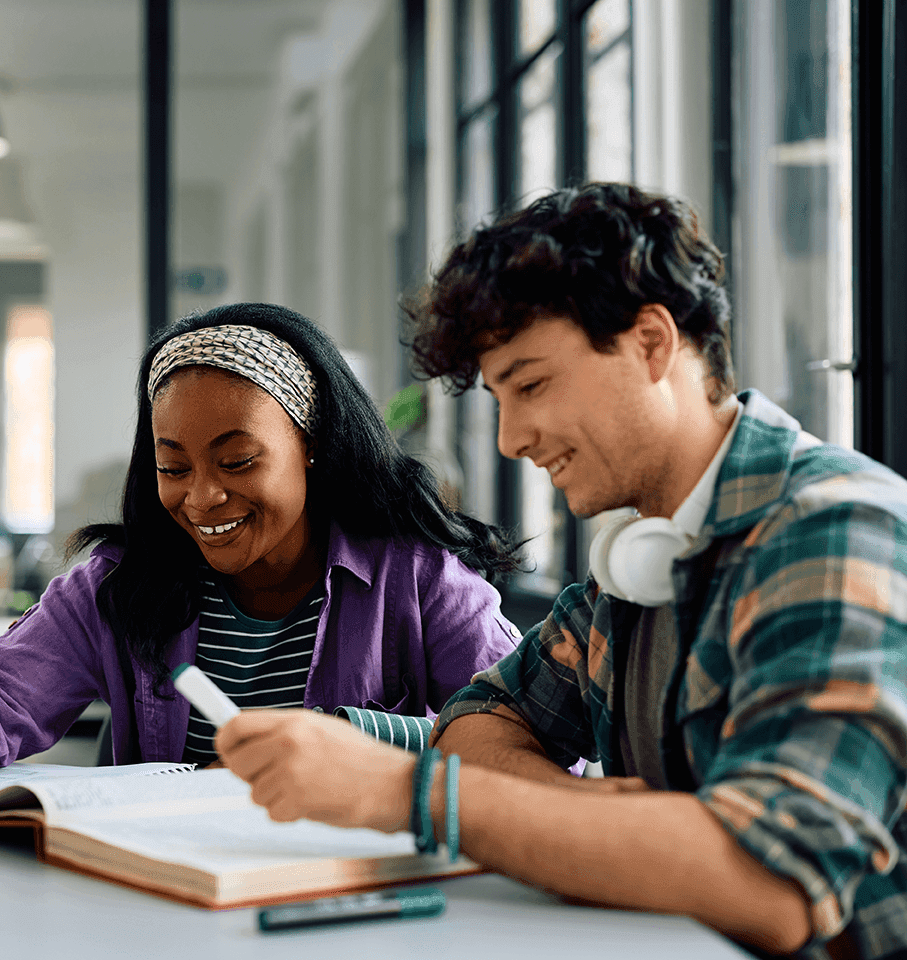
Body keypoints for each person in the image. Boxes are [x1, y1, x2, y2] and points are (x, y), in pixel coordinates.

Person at [214, 184, 907, 959]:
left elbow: (774, 882)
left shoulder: (835, 531)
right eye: (500, 397)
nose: (510, 438)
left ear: (651, 343)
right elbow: (475, 722)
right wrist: (598, 819)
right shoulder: (639, 556)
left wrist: (399, 794)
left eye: (532, 384)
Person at [0, 301, 525, 776]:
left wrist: (347, 734)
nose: (202, 497)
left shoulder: (420, 579)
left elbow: (533, 741)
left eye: (237, 461)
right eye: (173, 468)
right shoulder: (117, 583)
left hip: (354, 894)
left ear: (313, 448)